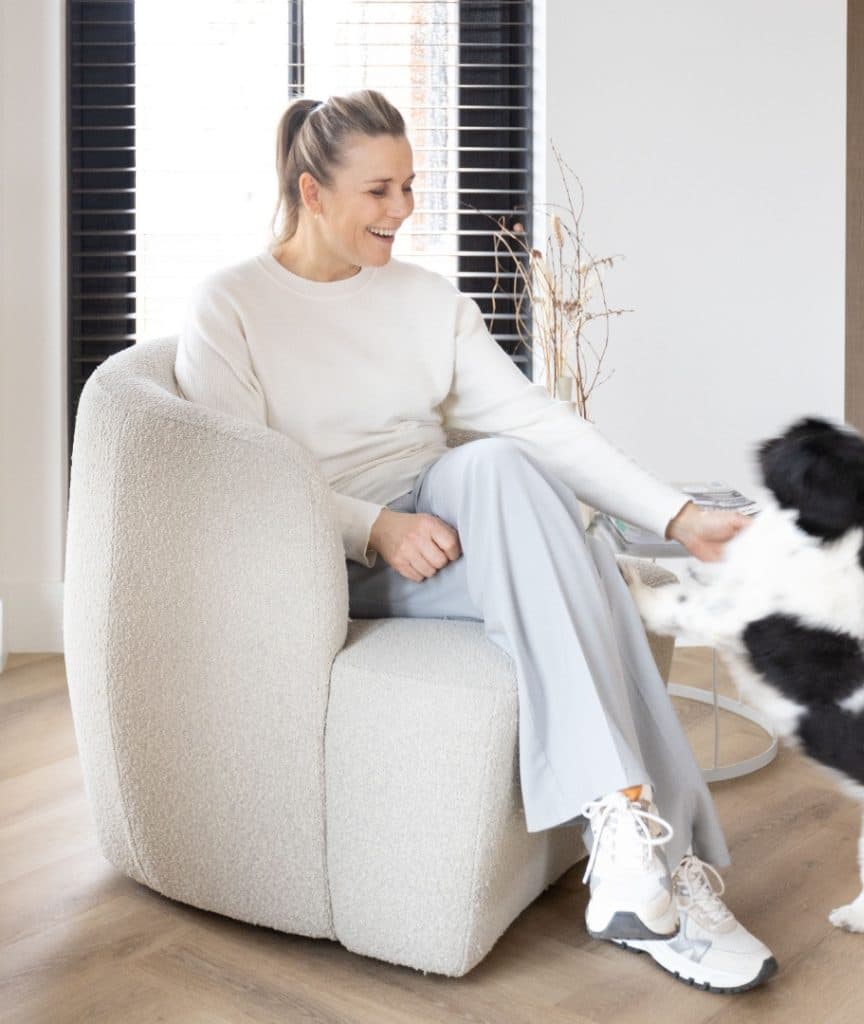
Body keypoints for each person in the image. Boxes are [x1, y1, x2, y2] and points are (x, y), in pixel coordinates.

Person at [173, 89, 777, 993]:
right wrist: (370, 526)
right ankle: (665, 854)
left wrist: (677, 516)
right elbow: (244, 474)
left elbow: (534, 421)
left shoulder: (424, 300)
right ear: (313, 192)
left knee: (499, 463)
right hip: (326, 555)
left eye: (410, 185)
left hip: (446, 512)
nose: (404, 209)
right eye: (379, 190)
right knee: (584, 575)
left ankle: (626, 847)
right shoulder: (232, 305)